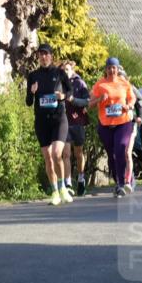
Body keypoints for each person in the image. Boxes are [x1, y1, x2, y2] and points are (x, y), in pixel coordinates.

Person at [27, 43, 72, 205]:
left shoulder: (59, 73)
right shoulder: (33, 76)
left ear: (51, 56)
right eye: (40, 54)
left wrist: (62, 96)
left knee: (56, 153)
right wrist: (32, 93)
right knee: (47, 157)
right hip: (41, 122)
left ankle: (63, 187)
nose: (43, 57)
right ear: (38, 57)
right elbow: (28, 102)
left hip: (59, 119)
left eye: (46, 54)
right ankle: (54, 191)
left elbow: (70, 91)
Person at [89, 57, 137, 197]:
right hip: (105, 125)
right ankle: (118, 181)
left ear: (117, 69)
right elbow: (90, 104)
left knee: (121, 147)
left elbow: (132, 98)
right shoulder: (100, 85)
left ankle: (122, 183)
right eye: (109, 67)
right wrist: (99, 99)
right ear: (106, 69)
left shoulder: (124, 83)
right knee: (112, 155)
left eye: (114, 67)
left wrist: (128, 106)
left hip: (123, 122)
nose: (111, 70)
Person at [61, 60, 90, 196]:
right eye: (63, 69)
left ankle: (80, 178)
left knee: (78, 153)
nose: (65, 72)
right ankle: (67, 184)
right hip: (63, 122)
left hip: (77, 122)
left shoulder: (80, 83)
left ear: (72, 70)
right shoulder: (58, 83)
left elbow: (87, 101)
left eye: (67, 69)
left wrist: (74, 100)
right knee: (66, 154)